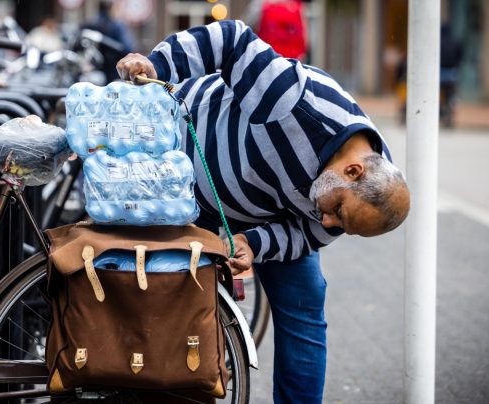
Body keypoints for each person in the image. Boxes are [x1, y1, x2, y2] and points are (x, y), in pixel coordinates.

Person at [117, 20, 410, 403]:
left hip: (258, 212)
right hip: (181, 175)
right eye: (337, 211)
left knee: (305, 306)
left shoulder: (361, 196)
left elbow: (305, 234)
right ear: (351, 170)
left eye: (341, 226)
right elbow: (230, 39)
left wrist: (253, 243)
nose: (328, 223)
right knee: (169, 293)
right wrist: (160, 66)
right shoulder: (293, 102)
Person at [82, 0, 135, 82]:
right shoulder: (117, 26)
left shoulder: (89, 24)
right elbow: (127, 49)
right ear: (111, 9)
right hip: (115, 71)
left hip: (95, 70)